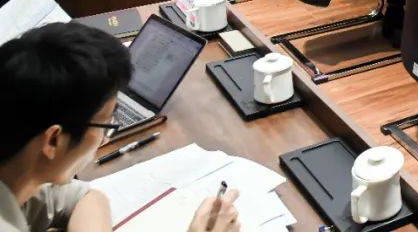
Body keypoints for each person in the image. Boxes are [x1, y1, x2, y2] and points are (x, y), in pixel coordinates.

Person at [0, 23, 239, 232]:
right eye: (104, 126)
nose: (104, 140)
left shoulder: (19, 172)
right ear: (53, 140)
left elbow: (84, 198)